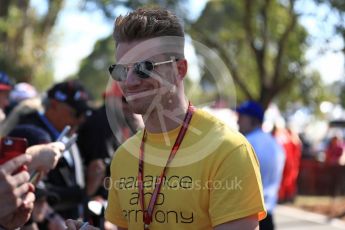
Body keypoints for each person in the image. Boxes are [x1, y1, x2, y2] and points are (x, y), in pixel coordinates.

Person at [67, 8, 266, 230]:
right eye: (121, 71)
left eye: (144, 68)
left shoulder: (228, 150)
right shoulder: (124, 157)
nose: (130, 82)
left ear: (179, 69)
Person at [14, 80, 96, 220]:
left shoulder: (67, 133)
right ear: (54, 105)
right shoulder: (32, 136)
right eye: (76, 113)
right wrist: (86, 190)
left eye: (85, 114)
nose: (81, 120)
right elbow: (36, 191)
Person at [236, 100, 285, 230]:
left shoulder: (246, 143)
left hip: (247, 218)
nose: (238, 121)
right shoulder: (276, 144)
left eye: (241, 117)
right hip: (268, 216)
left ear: (253, 120)